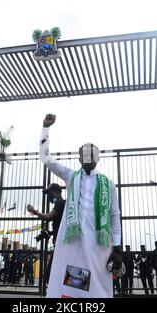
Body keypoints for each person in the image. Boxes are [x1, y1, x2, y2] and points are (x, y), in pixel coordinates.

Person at [39, 113, 122, 298]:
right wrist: (45, 128)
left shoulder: (108, 184)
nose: (86, 157)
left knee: (97, 289)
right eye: (83, 154)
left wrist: (117, 248)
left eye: (90, 154)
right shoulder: (70, 176)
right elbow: (45, 158)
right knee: (71, 285)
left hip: (97, 245)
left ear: (97, 158)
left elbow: (114, 215)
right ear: (78, 158)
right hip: (73, 242)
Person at [27, 182, 66, 285]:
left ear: (55, 192)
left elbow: (48, 217)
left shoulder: (60, 203)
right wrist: (50, 233)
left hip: (61, 245)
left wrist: (34, 211)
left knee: (51, 275)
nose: (48, 196)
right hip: (60, 243)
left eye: (48, 193)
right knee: (54, 275)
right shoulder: (61, 204)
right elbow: (61, 225)